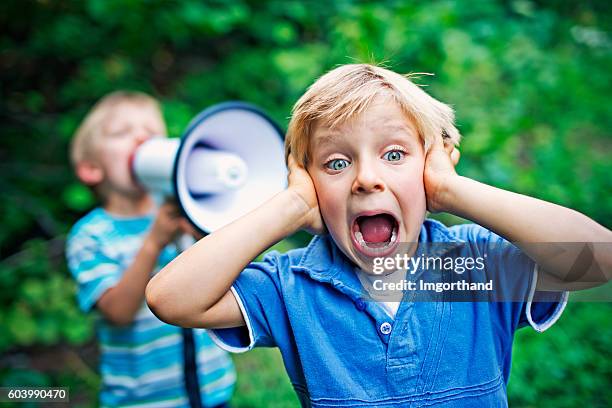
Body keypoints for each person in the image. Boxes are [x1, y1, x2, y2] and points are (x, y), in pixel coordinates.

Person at [145, 65, 611, 407]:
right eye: (336, 163)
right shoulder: (291, 286)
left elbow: (600, 259)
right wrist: (289, 207)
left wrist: (452, 190)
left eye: (393, 154)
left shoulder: (477, 262)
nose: (366, 179)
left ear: (432, 166)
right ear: (309, 184)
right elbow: (171, 299)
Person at [66, 91, 235, 408]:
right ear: (91, 168)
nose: (141, 138)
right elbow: (118, 312)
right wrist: (154, 242)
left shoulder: (186, 211)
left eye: (152, 132)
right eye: (121, 133)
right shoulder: (91, 235)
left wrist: (201, 234)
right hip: (144, 401)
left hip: (213, 390)